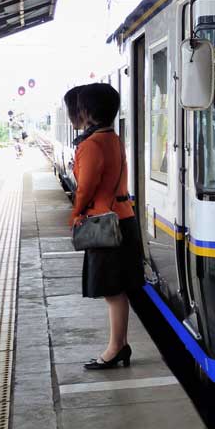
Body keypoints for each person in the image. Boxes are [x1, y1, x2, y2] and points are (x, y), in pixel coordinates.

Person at [65, 83, 143, 370]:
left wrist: (75, 214)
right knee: (117, 290)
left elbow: (85, 188)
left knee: (112, 291)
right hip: (123, 218)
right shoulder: (113, 138)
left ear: (87, 110)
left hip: (105, 224)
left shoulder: (91, 144)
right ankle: (119, 345)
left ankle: (115, 348)